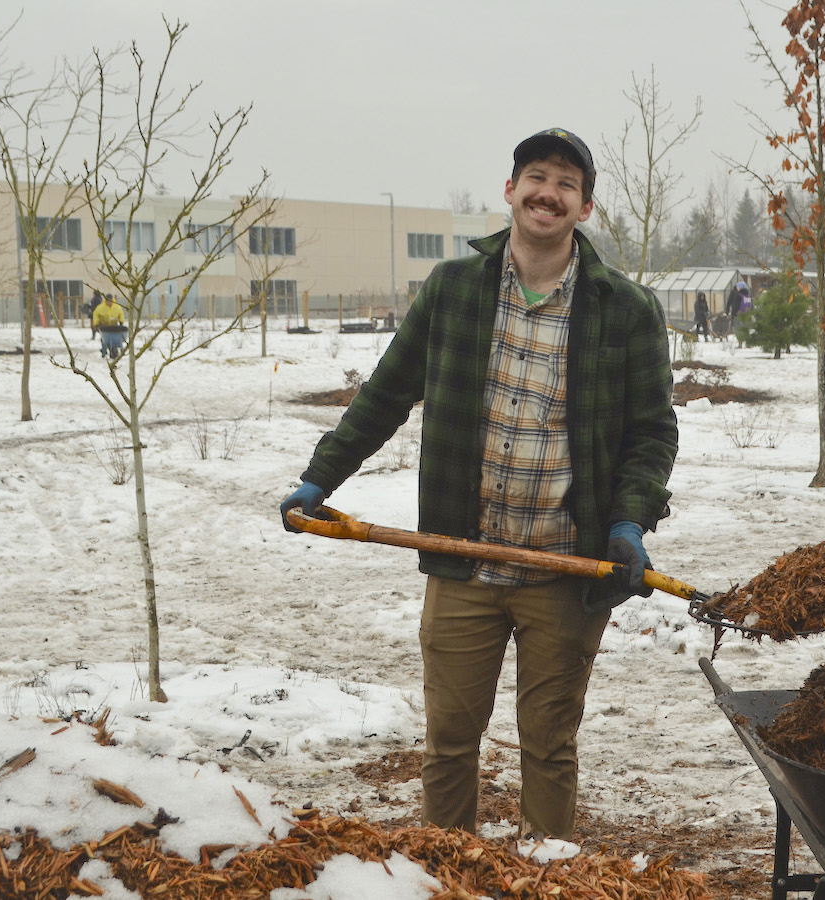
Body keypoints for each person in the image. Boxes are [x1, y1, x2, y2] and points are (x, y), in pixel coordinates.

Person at [279, 127, 678, 841]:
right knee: (448, 750)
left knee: (549, 751)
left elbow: (651, 432)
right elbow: (386, 393)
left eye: (564, 183)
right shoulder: (454, 291)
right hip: (462, 562)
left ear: (584, 207)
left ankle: (547, 881)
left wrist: (629, 522)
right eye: (535, 176)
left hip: (565, 571)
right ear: (509, 190)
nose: (546, 192)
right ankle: (444, 876)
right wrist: (320, 476)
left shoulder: (625, 308)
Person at [92, 293, 127, 359]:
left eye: (110, 301)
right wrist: (96, 324)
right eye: (107, 301)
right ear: (105, 301)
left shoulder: (117, 307)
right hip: (104, 326)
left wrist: (121, 322)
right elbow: (96, 315)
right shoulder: (100, 307)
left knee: (114, 338)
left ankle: (114, 349)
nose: (109, 302)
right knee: (104, 339)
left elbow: (121, 314)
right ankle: (104, 350)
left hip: (114, 326)